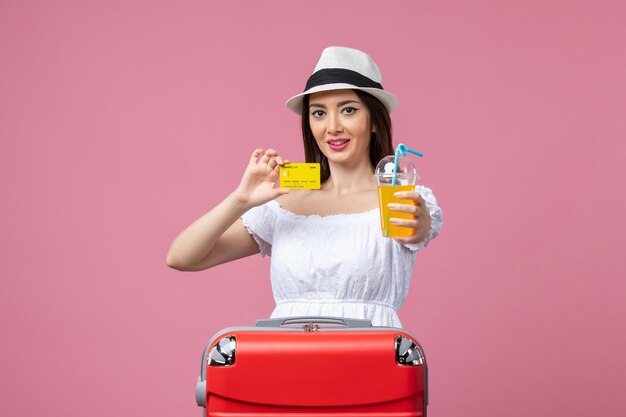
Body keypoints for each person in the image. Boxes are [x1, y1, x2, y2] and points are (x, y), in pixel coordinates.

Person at [166, 46, 443, 327]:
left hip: (370, 362)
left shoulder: (399, 198)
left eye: (348, 110)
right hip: (288, 362)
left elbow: (417, 228)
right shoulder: (285, 203)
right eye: (319, 113)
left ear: (374, 120)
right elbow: (182, 257)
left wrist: (418, 226)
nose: (332, 127)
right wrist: (241, 199)